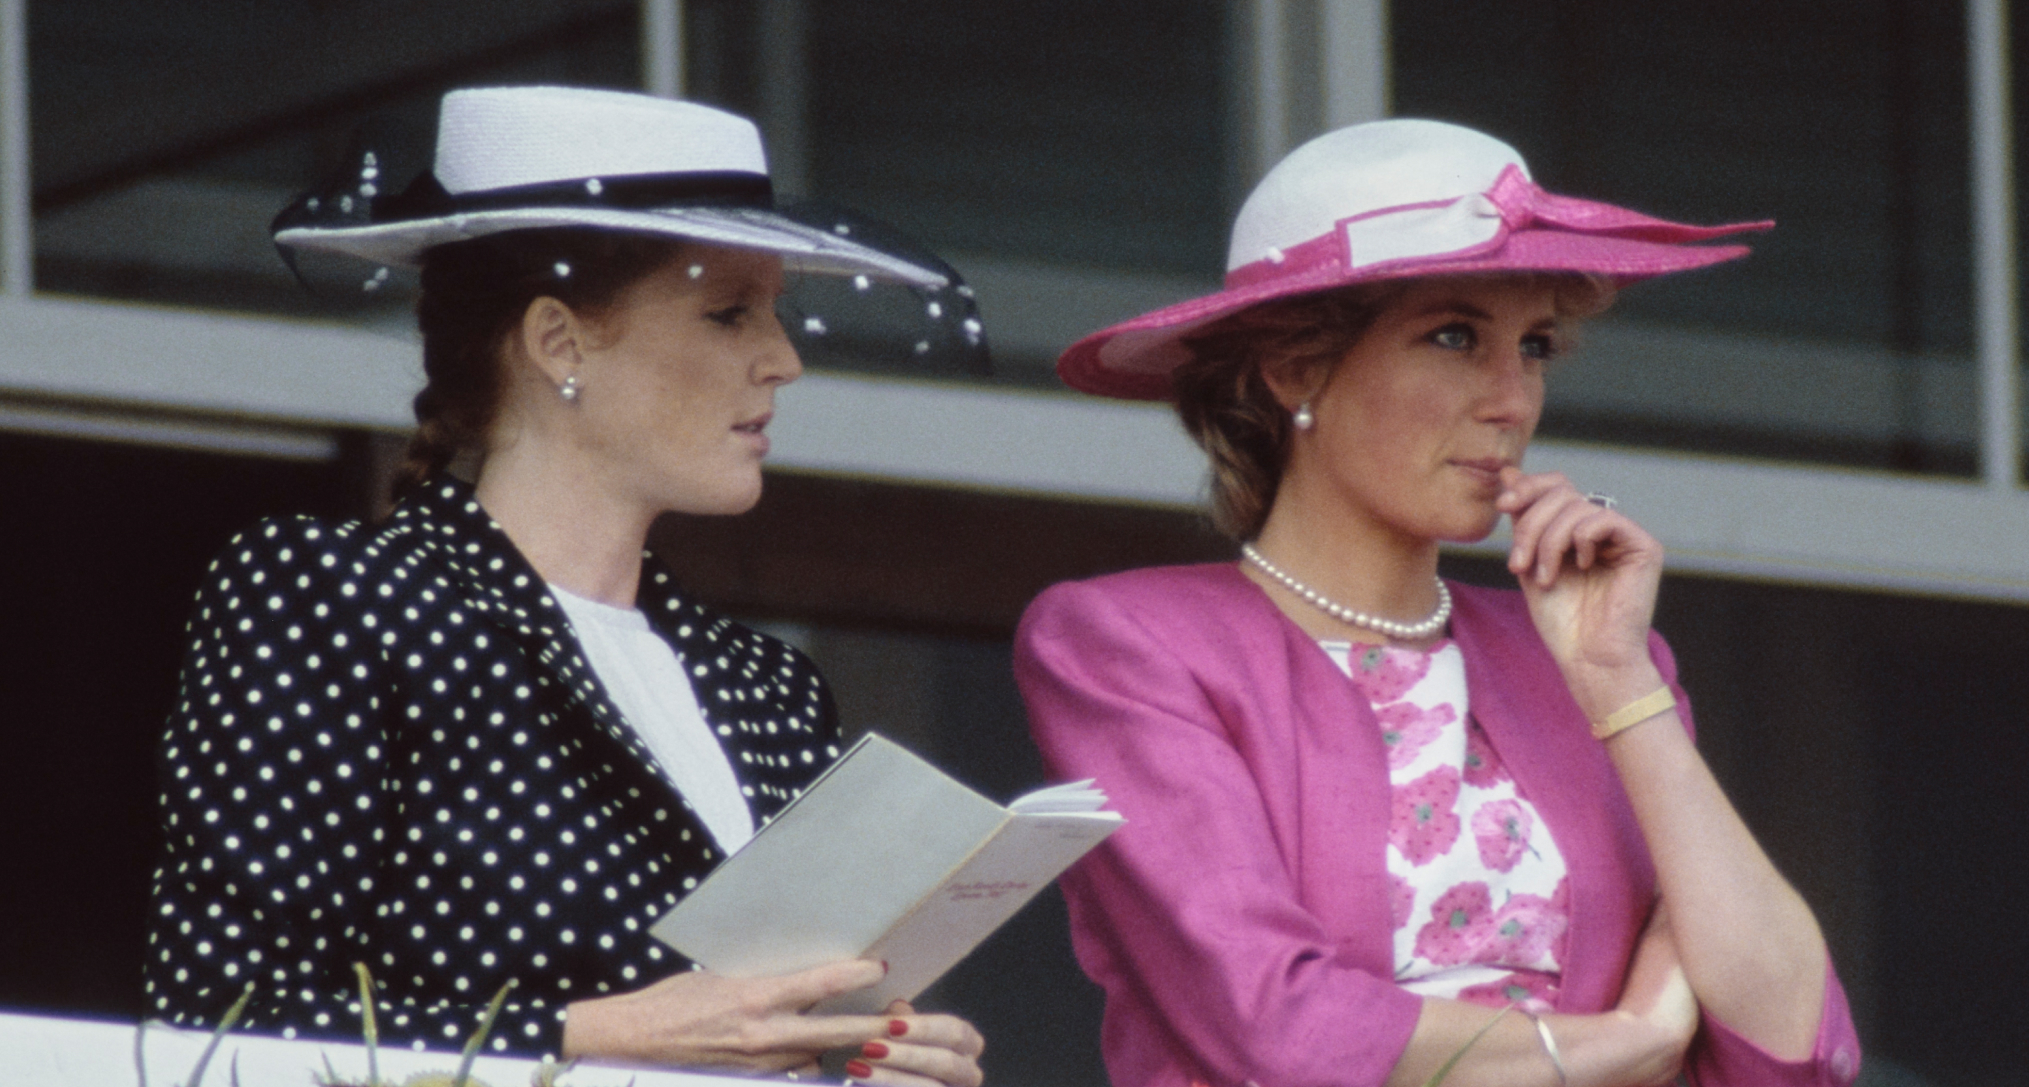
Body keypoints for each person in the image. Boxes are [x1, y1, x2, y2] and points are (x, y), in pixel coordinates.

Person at [147, 85, 984, 1086]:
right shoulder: (335, 597)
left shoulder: (767, 684)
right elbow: (218, 1021)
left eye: (777, 313)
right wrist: (584, 1037)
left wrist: (867, 1062)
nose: (783, 360)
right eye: (728, 313)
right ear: (559, 342)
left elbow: (769, 1028)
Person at [1013, 119, 1861, 1087]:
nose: (1511, 399)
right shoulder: (1126, 641)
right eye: (1452, 336)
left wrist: (1617, 679)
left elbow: (1788, 1037)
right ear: (1293, 365)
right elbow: (1276, 1025)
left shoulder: (1589, 661)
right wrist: (1616, 1048)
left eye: (1534, 346)